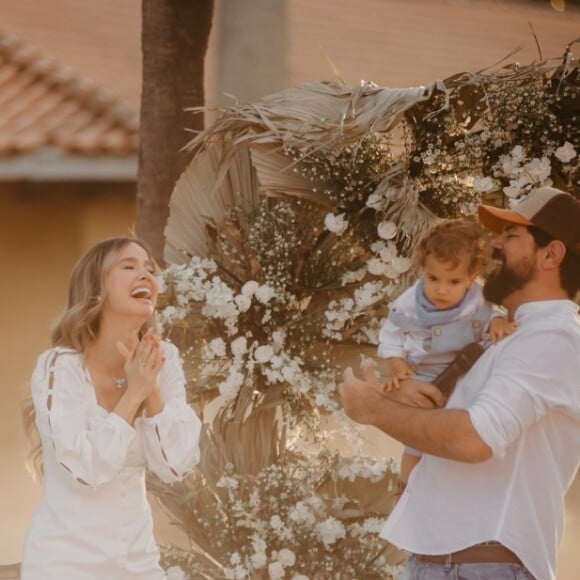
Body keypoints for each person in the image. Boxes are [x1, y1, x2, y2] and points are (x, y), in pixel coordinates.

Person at [339, 187, 580, 580]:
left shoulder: (552, 336)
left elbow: (473, 439)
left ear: (551, 254)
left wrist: (372, 409)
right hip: (451, 564)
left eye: (511, 235)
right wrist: (404, 392)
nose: (495, 243)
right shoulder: (509, 333)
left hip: (482, 567)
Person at [21, 237, 203, 580]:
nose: (146, 275)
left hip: (140, 566)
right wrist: (133, 393)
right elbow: (87, 470)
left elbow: (176, 465)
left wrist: (151, 390)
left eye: (149, 269)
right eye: (129, 266)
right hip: (65, 565)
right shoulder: (60, 367)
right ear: (96, 288)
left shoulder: (165, 360)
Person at [378, 219, 514, 486]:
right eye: (433, 278)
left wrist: (497, 322)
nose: (441, 289)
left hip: (464, 374)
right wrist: (396, 365)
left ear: (471, 277)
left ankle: (450, 488)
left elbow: (490, 318)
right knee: (418, 441)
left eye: (454, 281)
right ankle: (404, 490)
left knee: (457, 437)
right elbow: (391, 335)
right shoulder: (409, 304)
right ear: (422, 271)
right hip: (424, 374)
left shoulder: (479, 300)